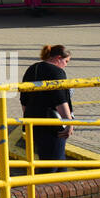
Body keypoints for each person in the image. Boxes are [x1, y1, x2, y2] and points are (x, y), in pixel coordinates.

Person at [20, 45, 74, 173]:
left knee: (58, 163)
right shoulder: (57, 72)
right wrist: (69, 123)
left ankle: (60, 190)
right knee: (52, 165)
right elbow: (60, 100)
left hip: (34, 122)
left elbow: (24, 99)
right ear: (58, 58)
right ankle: (42, 191)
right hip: (52, 125)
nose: (66, 65)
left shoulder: (32, 69)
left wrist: (28, 119)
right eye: (66, 61)